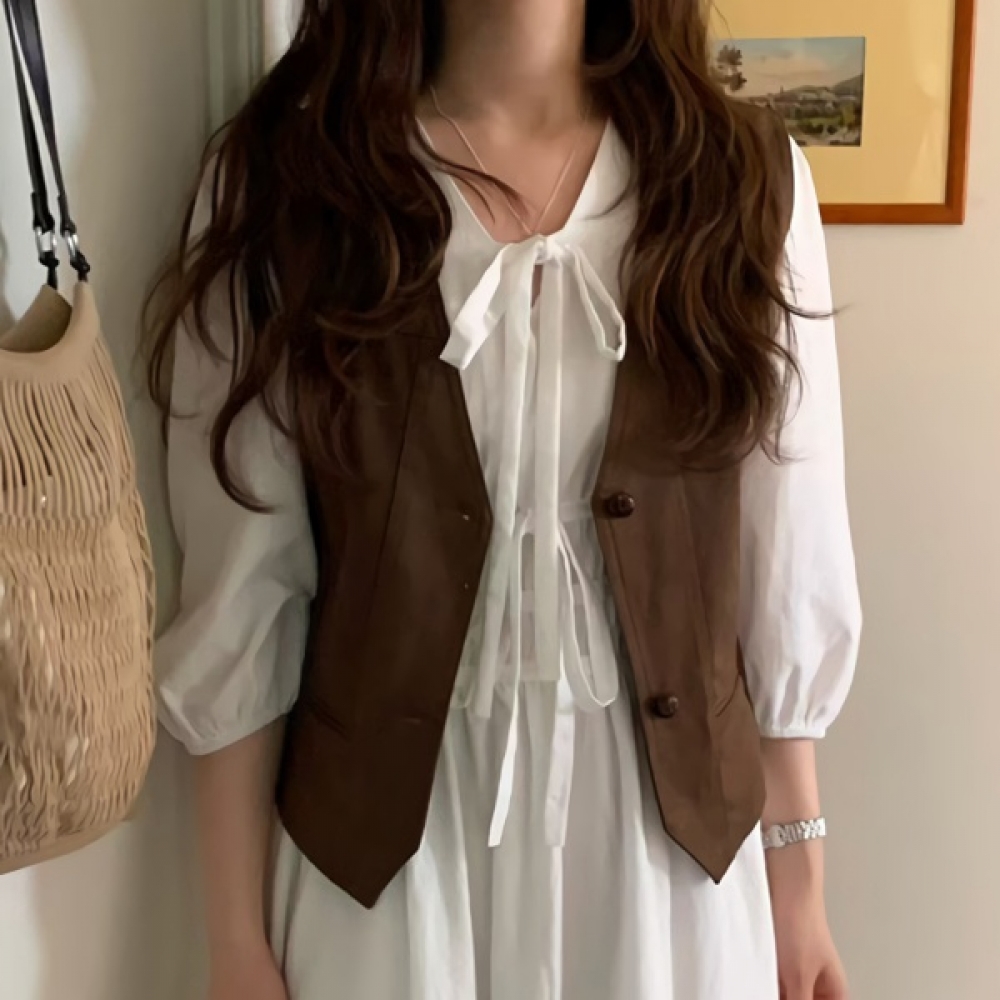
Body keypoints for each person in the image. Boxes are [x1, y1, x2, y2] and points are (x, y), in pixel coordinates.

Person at [149, 2, 862, 998]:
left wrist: (801, 892)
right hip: (387, 878)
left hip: (666, 868)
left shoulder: (742, 183)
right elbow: (242, 591)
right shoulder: (286, 180)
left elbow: (786, 569)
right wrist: (235, 940)